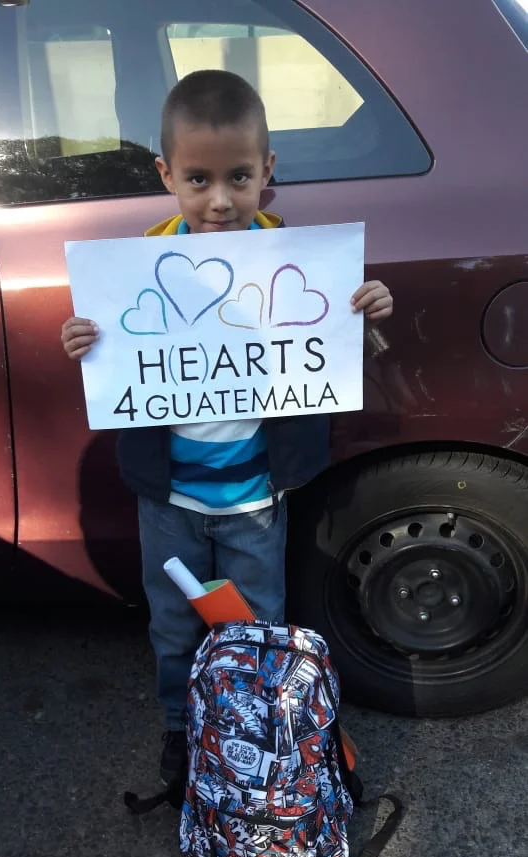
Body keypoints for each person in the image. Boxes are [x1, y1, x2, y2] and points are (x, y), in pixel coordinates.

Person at [61, 70, 393, 785]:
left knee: (258, 624)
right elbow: (118, 360)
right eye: (198, 179)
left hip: (255, 499)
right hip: (170, 501)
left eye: (239, 177)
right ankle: (183, 733)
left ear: (266, 171)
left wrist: (362, 316)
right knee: (174, 625)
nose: (220, 199)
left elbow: (334, 355)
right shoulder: (137, 268)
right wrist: (85, 340)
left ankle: (258, 735)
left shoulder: (300, 265)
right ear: (166, 176)